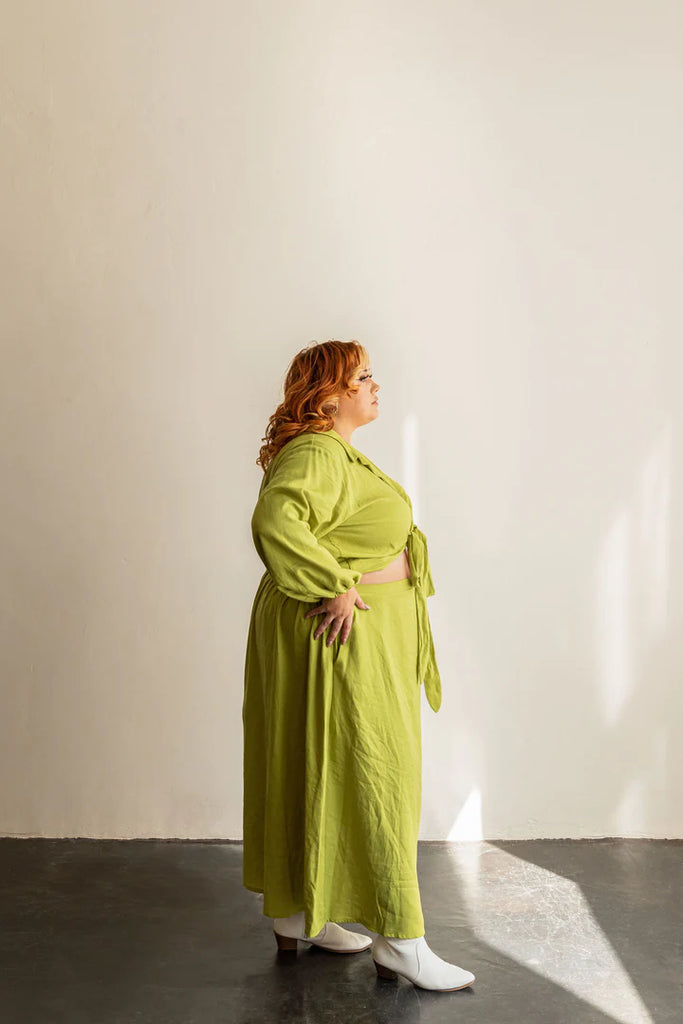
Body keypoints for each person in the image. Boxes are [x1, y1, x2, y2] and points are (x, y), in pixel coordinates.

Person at [242, 339, 475, 992]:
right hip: (341, 634)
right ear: (328, 395)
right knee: (377, 769)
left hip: (351, 632)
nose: (376, 385)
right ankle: (400, 940)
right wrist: (331, 583)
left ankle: (297, 914)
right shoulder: (317, 452)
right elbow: (276, 520)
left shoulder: (334, 452)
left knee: (323, 762)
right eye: (363, 377)